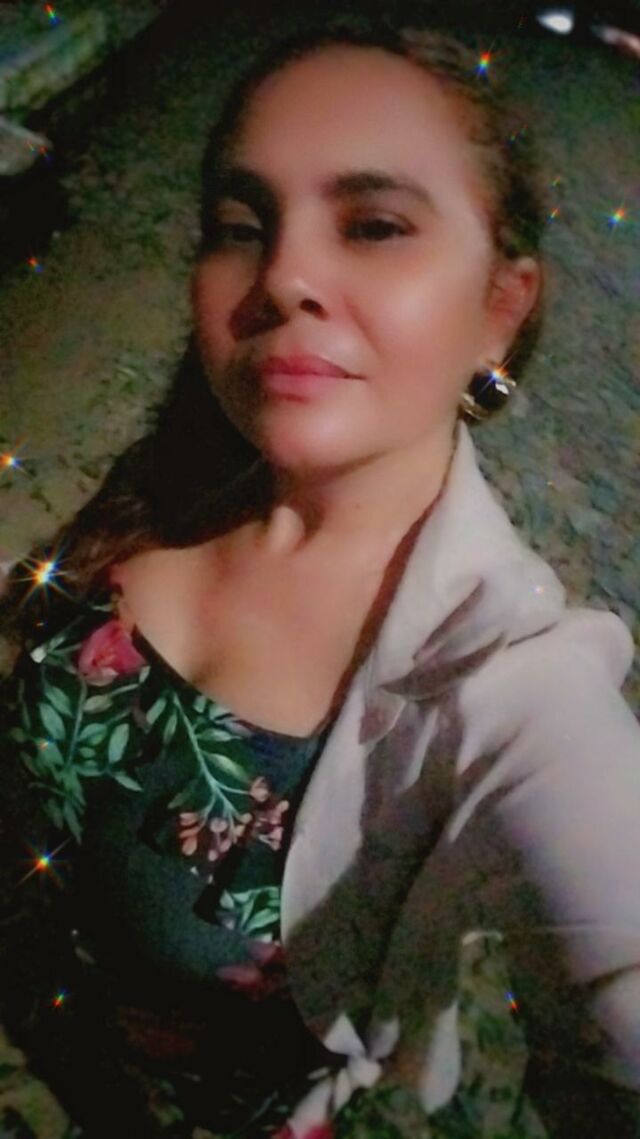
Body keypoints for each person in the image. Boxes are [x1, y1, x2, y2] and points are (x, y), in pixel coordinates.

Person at [1, 18, 639, 1139]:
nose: (283, 276)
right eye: (241, 227)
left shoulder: (514, 687)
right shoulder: (184, 469)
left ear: (501, 304)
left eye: (375, 225)